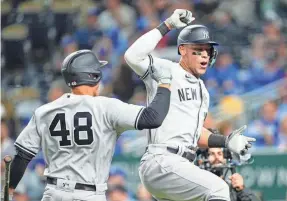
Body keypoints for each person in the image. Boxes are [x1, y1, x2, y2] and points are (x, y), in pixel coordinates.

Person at [125, 9, 256, 201]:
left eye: (207, 50)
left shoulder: (202, 90)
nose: (204, 55)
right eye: (198, 50)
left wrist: (226, 141)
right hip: (162, 159)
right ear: (183, 50)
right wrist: (167, 25)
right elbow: (132, 56)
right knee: (219, 189)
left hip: (181, 164)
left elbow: (195, 135)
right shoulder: (167, 69)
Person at [7, 49, 172, 201]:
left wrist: (9, 188)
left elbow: (22, 156)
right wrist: (165, 82)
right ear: (93, 76)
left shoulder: (44, 111)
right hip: (89, 194)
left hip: (53, 193)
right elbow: (153, 118)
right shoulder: (107, 107)